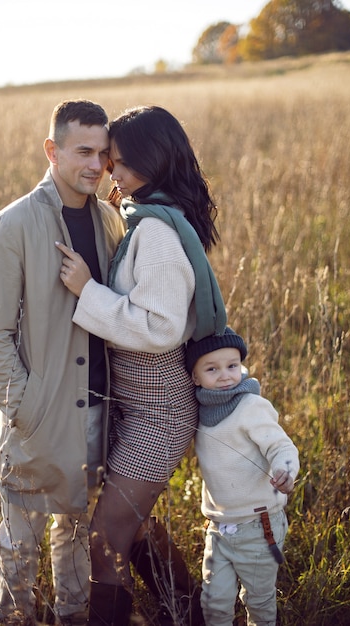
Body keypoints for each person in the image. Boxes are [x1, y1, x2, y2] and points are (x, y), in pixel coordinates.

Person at [55, 104, 227, 625]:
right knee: (136, 527)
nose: (112, 170)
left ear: (152, 161)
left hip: (159, 413)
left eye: (121, 162)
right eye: (109, 160)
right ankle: (190, 613)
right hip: (136, 408)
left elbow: (161, 328)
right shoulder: (146, 217)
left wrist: (88, 290)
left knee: (107, 538)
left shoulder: (156, 233)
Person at [0, 99, 125, 626]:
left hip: (98, 413)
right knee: (19, 549)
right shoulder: (11, 224)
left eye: (103, 154)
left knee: (76, 540)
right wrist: (25, 406)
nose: (94, 165)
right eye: (83, 151)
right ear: (51, 150)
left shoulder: (109, 220)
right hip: (36, 416)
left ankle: (73, 618)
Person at [185, 327, 300, 626]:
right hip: (219, 527)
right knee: (214, 601)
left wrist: (284, 469)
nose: (225, 375)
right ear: (195, 377)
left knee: (258, 601)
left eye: (232, 366)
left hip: (258, 526)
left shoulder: (250, 406)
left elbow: (281, 445)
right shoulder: (198, 411)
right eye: (212, 369)